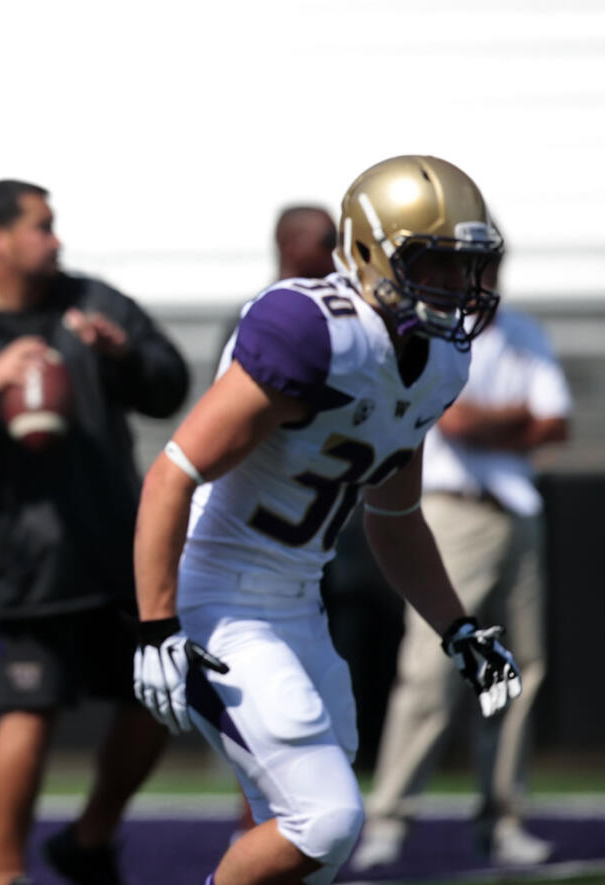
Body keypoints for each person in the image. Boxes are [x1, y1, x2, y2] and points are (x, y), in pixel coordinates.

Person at [130, 154, 524, 885]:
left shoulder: (440, 360)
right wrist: (157, 624)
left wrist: (458, 628)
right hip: (219, 596)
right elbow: (173, 473)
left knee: (317, 842)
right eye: (431, 262)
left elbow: (397, 517)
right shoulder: (311, 329)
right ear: (373, 253)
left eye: (462, 265)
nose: (452, 284)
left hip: (297, 602)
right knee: (325, 819)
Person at [0, 180, 190, 885]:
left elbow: (170, 384)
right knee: (28, 707)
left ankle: (90, 836)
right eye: (41, 226)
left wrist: (122, 356)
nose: (56, 239)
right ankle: (5, 875)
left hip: (109, 547)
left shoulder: (93, 303)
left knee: (158, 693)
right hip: (10, 561)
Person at [353, 271, 571, 869]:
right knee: (430, 668)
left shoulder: (524, 331)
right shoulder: (430, 332)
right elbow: (453, 420)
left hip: (517, 509)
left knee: (517, 671)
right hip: (449, 510)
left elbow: (556, 425)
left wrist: (488, 421)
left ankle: (502, 821)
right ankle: (390, 821)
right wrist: (514, 421)